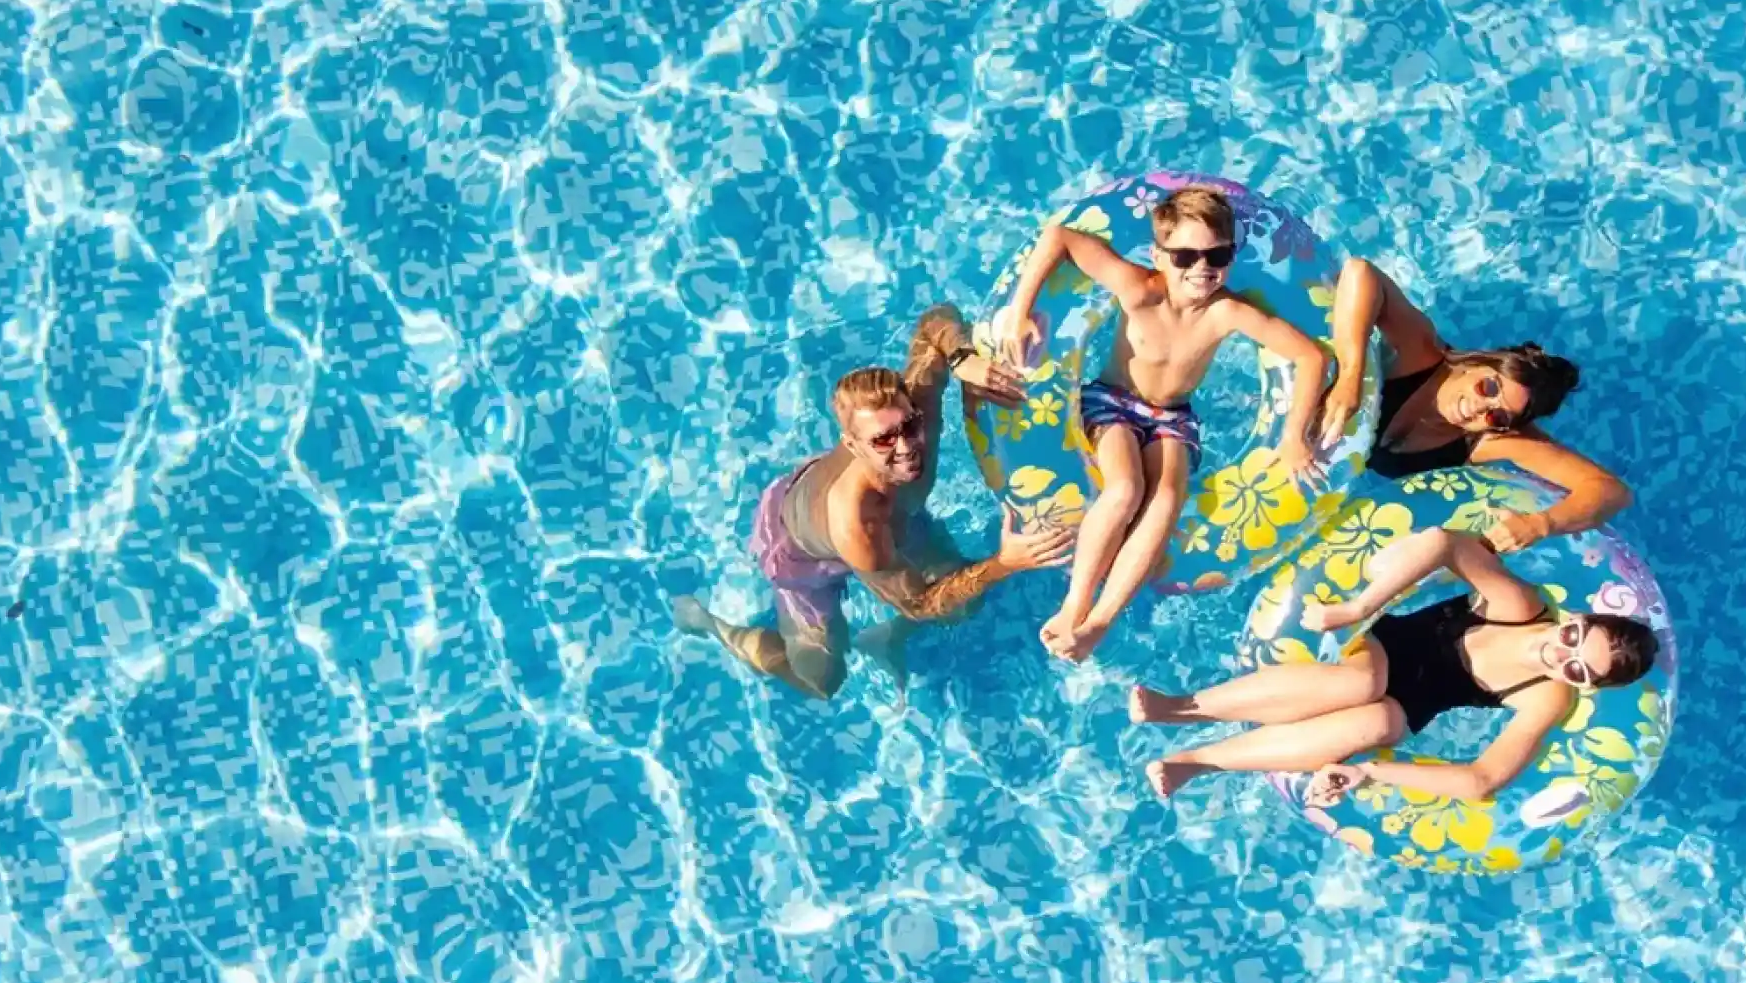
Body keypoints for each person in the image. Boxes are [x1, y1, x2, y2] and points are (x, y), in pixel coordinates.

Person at [670, 305, 1075, 700]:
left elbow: (935, 320)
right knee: (822, 679)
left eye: (909, 426)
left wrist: (963, 360)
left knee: (966, 601)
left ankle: (883, 640)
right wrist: (1005, 563)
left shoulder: (915, 407)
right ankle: (711, 625)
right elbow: (919, 603)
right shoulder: (857, 527)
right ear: (852, 444)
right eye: (883, 439)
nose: (906, 447)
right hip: (799, 551)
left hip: (891, 517)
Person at [997, 186, 1330, 663]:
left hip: (1174, 417)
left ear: (1232, 255)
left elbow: (1310, 355)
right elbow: (1059, 237)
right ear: (1159, 255)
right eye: (1185, 256)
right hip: (1112, 402)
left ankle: (1100, 623)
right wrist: (1019, 311)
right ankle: (1075, 605)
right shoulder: (1137, 289)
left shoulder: (1226, 312)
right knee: (1126, 489)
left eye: (1217, 254)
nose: (1201, 268)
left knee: (1168, 498)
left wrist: (1295, 436)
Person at [1135, 526, 1658, 807]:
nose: (1559, 655)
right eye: (1573, 639)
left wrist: (1367, 771)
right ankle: (1183, 708)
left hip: (1405, 705)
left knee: (1380, 722)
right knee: (1365, 680)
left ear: (1582, 686)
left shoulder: (1546, 697)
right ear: (1578, 618)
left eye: (1577, 670)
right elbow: (1444, 544)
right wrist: (1360, 608)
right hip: (1380, 646)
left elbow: (1482, 779)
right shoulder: (1520, 608)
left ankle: (1197, 761)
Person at [1319, 257, 1632, 552]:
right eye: (1488, 387)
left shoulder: (1489, 440)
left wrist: (1541, 524)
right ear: (1478, 363)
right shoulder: (1422, 353)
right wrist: (1351, 375)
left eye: (1497, 415)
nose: (1480, 408)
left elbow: (1610, 491)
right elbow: (1360, 271)